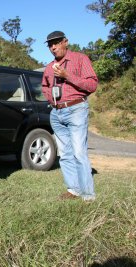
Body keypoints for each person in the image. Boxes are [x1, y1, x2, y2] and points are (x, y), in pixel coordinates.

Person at [41, 31, 98, 202]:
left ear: (65, 42)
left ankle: (88, 195)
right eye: (50, 45)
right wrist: (52, 100)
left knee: (79, 152)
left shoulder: (80, 59)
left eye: (56, 43)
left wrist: (67, 76)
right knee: (65, 153)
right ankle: (73, 190)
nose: (53, 47)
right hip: (56, 112)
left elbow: (92, 84)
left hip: (76, 109)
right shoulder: (49, 67)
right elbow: (45, 86)